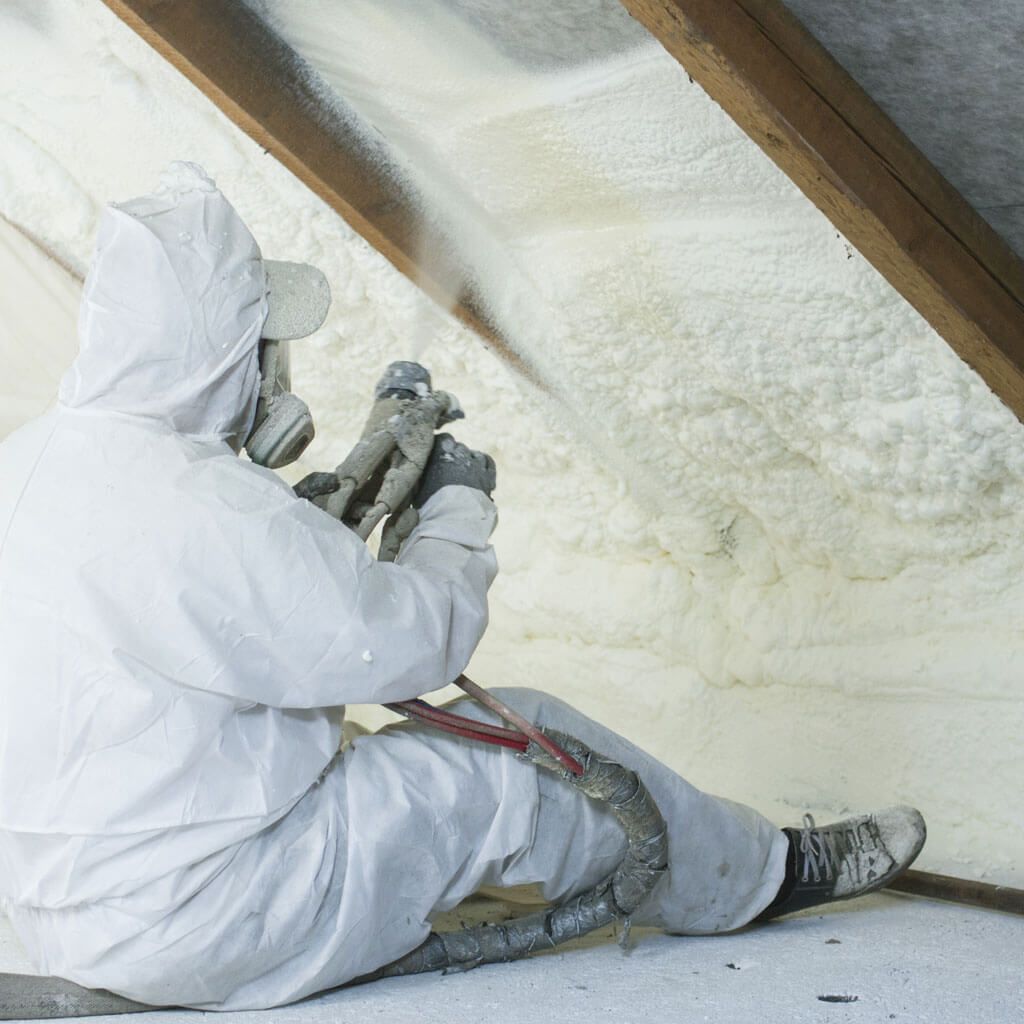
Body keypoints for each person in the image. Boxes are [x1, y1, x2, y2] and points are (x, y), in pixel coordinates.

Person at [0, 164, 925, 1011]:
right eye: (261, 342)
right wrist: (456, 513)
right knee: (522, 749)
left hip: (60, 916)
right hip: (208, 918)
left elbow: (199, 611)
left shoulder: (33, 463)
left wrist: (309, 526)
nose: (270, 369)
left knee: (349, 754)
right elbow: (408, 644)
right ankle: (763, 878)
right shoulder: (205, 506)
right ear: (222, 349)